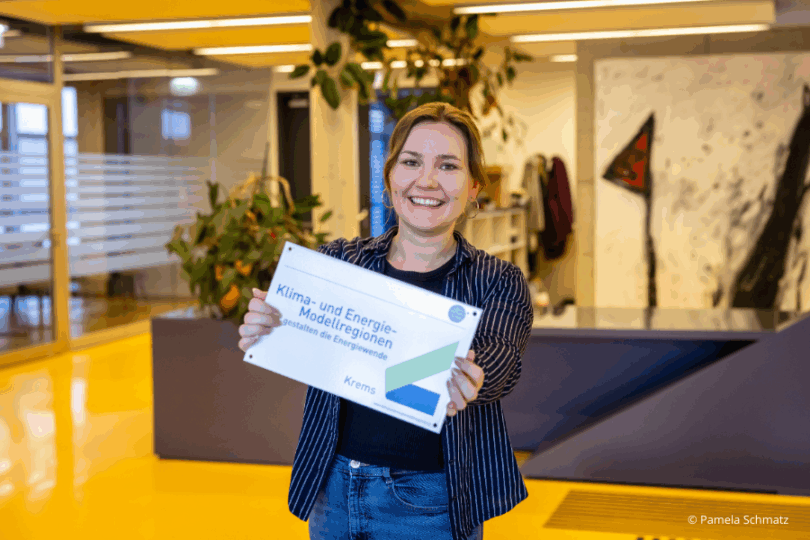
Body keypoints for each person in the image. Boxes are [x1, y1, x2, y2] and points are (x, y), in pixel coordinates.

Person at [238, 102, 534, 540]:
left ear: (474, 187)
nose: (427, 181)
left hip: (434, 500)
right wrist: (265, 328)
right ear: (390, 177)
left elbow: (500, 361)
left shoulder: (498, 281)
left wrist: (472, 378)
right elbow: (301, 338)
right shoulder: (337, 262)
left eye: (448, 166)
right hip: (332, 492)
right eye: (411, 162)